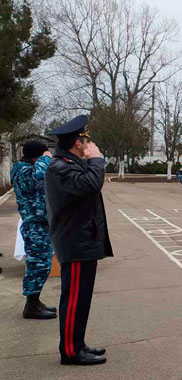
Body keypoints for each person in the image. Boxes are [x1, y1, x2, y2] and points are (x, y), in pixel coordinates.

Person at [45, 115, 112, 366]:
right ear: (77, 142)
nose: (89, 144)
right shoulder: (60, 167)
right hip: (75, 241)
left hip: (83, 239)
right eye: (85, 140)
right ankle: (71, 352)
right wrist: (96, 159)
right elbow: (90, 184)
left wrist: (90, 161)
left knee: (81, 298)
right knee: (73, 299)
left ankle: (77, 344)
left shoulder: (70, 164)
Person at [10, 141, 55, 319]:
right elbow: (40, 177)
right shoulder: (25, 171)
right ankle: (31, 306)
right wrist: (45, 159)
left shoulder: (26, 169)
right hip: (35, 224)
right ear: (37, 156)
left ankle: (35, 302)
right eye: (44, 154)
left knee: (41, 264)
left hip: (38, 223)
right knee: (37, 266)